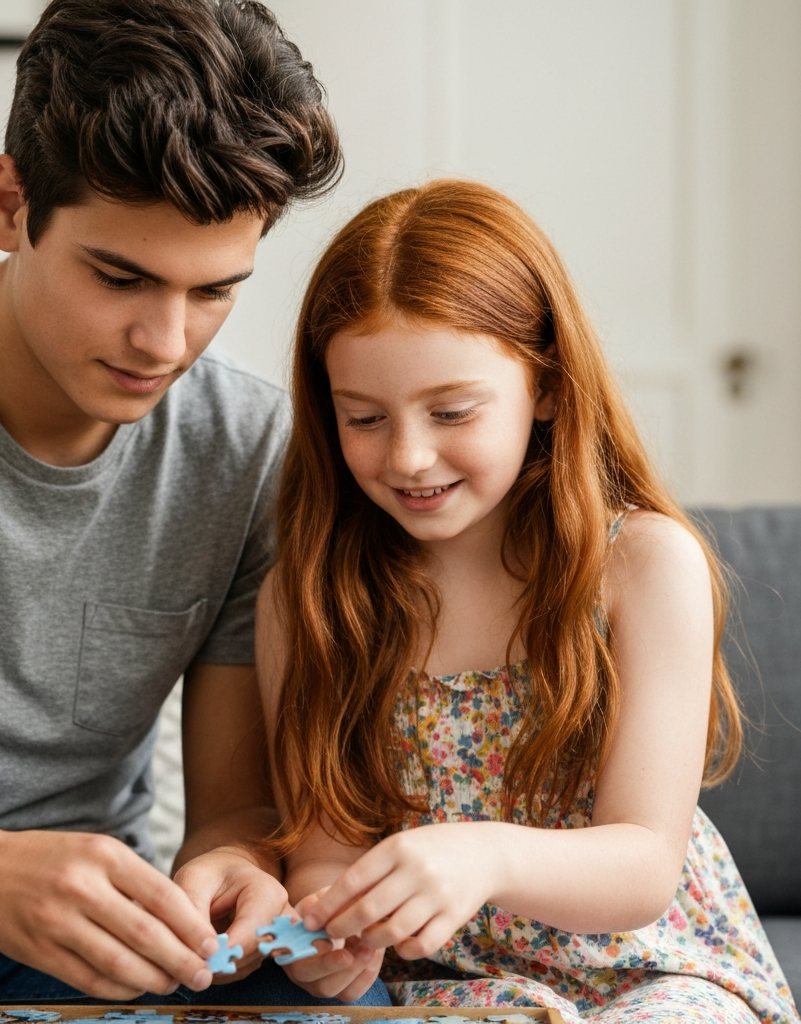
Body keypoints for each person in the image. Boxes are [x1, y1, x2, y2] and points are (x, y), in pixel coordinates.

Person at [0, 0, 393, 1018]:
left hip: (90, 940)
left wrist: (230, 871)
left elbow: (231, 806)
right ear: (9, 203)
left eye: (213, 292)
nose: (165, 340)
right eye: (120, 277)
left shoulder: (249, 451)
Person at [255, 180, 799, 1022]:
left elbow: (645, 866)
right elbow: (323, 857)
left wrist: (482, 858)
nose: (407, 456)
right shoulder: (307, 600)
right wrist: (332, 933)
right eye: (363, 418)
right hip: (456, 998)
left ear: (545, 386)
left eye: (452, 411)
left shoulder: (645, 566)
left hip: (657, 980)